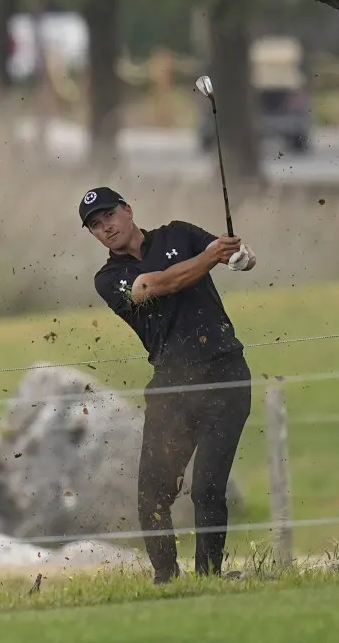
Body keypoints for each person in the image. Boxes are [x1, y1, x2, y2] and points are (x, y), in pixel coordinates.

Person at [79, 186, 257, 584]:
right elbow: (155, 286)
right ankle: (166, 580)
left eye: (108, 215)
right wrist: (212, 257)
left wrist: (239, 257)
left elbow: (236, 256)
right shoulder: (109, 278)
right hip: (172, 385)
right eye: (94, 225)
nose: (105, 227)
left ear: (127, 209)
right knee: (153, 494)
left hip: (226, 375)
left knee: (208, 488)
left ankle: (209, 579)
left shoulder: (179, 234)